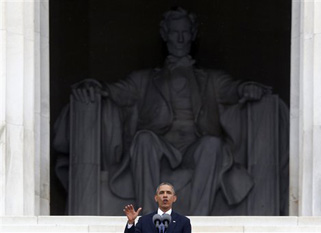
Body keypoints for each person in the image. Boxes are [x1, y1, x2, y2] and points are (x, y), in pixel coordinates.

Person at [54, 7, 289, 216]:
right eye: (175, 32)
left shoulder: (211, 80)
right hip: (159, 147)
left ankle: (196, 219)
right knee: (143, 138)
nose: (180, 37)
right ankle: (149, 218)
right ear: (165, 35)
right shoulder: (144, 80)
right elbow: (115, 91)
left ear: (193, 34)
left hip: (195, 148)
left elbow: (234, 89)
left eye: (185, 32)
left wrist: (247, 88)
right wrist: (95, 87)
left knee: (213, 145)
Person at [124, 182, 191, 233]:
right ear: (156, 198)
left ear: (174, 198)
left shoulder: (183, 222)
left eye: (168, 193)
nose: (165, 195)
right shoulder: (143, 221)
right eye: (161, 193)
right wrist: (131, 222)